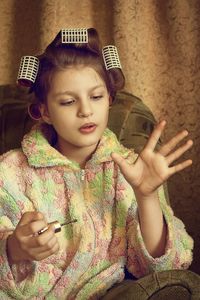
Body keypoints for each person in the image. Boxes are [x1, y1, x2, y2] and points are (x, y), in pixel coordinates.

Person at [0, 28, 194, 299]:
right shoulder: (9, 173)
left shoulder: (130, 169)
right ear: (44, 111)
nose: (86, 111)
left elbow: (165, 267)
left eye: (96, 96)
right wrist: (14, 248)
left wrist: (147, 196)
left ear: (110, 99)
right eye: (68, 101)